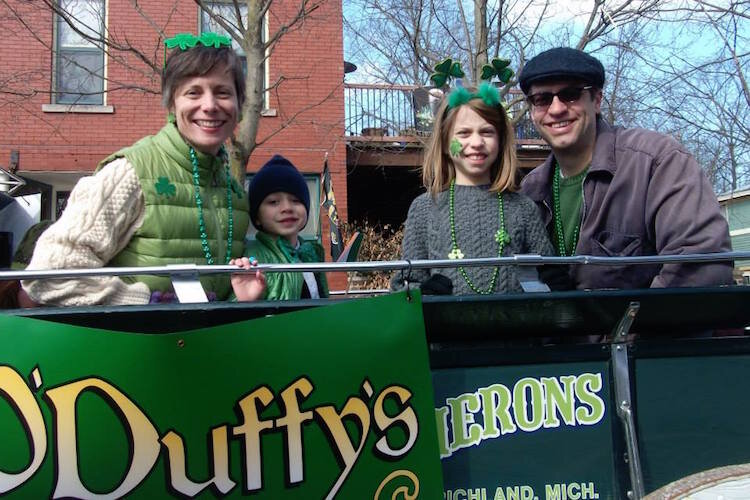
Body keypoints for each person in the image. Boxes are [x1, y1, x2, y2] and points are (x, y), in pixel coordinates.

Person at [22, 33, 250, 306]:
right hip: (134, 345)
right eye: (193, 92)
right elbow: (48, 275)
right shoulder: (130, 174)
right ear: (171, 103)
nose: (210, 106)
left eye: (223, 92)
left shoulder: (234, 191)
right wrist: (143, 302)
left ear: (239, 104)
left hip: (207, 346)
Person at [519, 47, 733, 290]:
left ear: (597, 100)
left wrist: (628, 326)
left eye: (571, 95)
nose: (556, 109)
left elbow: (701, 266)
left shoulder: (656, 162)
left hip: (646, 327)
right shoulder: (530, 190)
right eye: (542, 99)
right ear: (533, 111)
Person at [391, 82, 560, 296]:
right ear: (444, 143)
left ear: (500, 141)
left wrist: (555, 283)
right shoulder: (424, 208)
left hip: (514, 327)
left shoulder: (523, 208)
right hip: (446, 327)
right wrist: (421, 294)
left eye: (487, 132)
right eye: (463, 133)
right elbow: (405, 284)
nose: (477, 142)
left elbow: (546, 272)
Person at [231, 155, 329, 301]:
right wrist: (246, 301)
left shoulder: (310, 253)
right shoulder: (254, 256)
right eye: (273, 202)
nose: (287, 208)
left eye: (296, 200)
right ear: (256, 216)